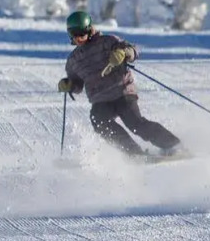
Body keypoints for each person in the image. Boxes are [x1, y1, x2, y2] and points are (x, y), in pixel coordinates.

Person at [57, 10, 181, 157]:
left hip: (122, 92)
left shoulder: (108, 41)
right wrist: (69, 85)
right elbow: (77, 84)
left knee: (135, 123)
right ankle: (135, 154)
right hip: (100, 99)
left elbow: (133, 50)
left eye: (82, 34)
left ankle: (172, 145)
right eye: (74, 35)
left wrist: (123, 53)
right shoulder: (73, 60)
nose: (79, 38)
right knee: (99, 122)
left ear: (89, 30)